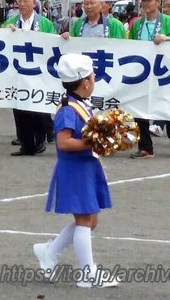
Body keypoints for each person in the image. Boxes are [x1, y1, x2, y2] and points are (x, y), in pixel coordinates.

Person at [33, 53, 118, 288]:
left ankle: (49, 251)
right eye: (92, 75)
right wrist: (93, 143)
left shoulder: (79, 105)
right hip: (75, 169)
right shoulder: (69, 110)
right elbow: (63, 142)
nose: (95, 79)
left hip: (86, 167)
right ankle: (87, 273)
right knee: (83, 220)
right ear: (85, 82)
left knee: (90, 220)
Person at [128, 0, 170, 158]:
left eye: (148, 0)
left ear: (158, 2)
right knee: (139, 108)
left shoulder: (168, 21)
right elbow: (129, 45)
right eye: (143, 0)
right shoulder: (137, 23)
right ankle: (146, 147)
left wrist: (167, 39)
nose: (145, 3)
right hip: (142, 72)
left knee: (163, 106)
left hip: (162, 72)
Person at [3, 0, 57, 156]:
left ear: (34, 3)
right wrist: (6, 32)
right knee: (19, 108)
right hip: (17, 72)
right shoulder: (11, 21)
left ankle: (40, 141)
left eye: (25, 0)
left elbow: (54, 43)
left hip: (38, 72)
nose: (22, 4)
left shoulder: (45, 23)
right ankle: (25, 143)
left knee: (38, 108)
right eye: (19, 1)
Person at [62, 0, 126, 40]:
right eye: (86, 3)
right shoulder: (78, 24)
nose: (89, 6)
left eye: (92, 3)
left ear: (100, 4)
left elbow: (120, 49)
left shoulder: (115, 25)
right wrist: (67, 36)